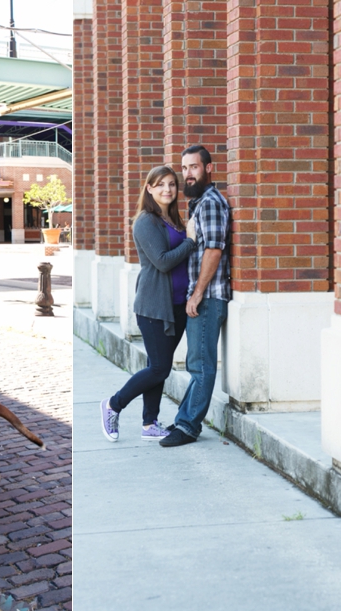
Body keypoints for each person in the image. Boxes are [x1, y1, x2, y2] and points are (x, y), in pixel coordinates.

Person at [100, 166, 196, 441]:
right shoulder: (145, 221)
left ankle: (149, 424)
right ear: (149, 188)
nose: (167, 189)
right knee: (159, 368)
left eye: (172, 184)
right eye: (160, 184)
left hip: (177, 304)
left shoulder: (174, 220)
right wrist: (190, 241)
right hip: (155, 307)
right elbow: (163, 262)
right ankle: (113, 405)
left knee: (159, 366)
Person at [159, 145, 232, 449]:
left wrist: (197, 294)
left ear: (208, 169)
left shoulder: (211, 203)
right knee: (195, 363)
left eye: (194, 167)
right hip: (200, 296)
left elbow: (214, 250)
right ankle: (183, 419)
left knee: (201, 365)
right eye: (185, 168)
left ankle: (189, 426)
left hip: (209, 296)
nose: (188, 174)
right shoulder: (199, 204)